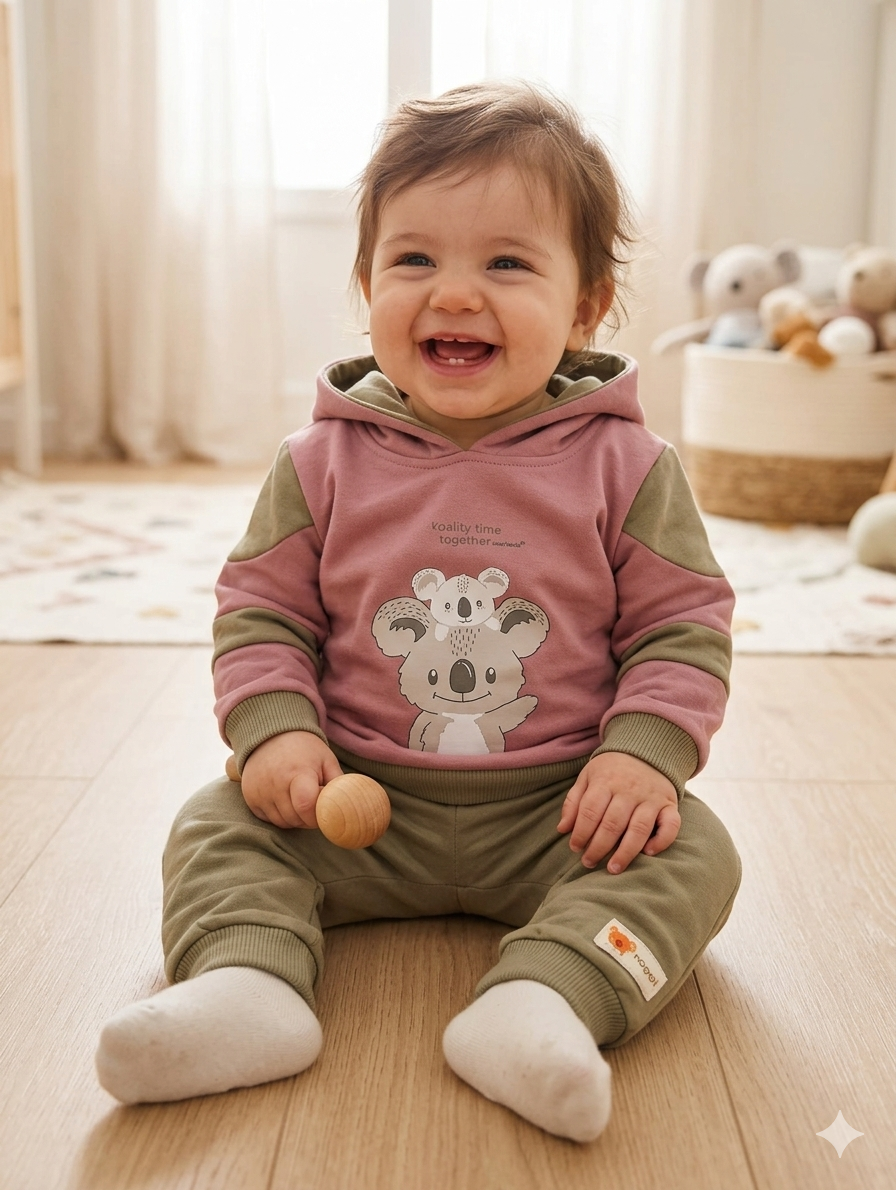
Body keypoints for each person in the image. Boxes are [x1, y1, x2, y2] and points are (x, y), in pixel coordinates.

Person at [95, 81, 741, 1143]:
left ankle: (546, 998)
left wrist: (642, 754)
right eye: (412, 260)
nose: (452, 293)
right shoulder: (319, 460)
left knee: (695, 851)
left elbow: (680, 625)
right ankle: (248, 987)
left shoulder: (628, 464)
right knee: (215, 824)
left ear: (585, 305)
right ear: (364, 283)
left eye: (505, 262)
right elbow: (260, 610)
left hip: (560, 808)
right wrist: (277, 733)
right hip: (353, 796)